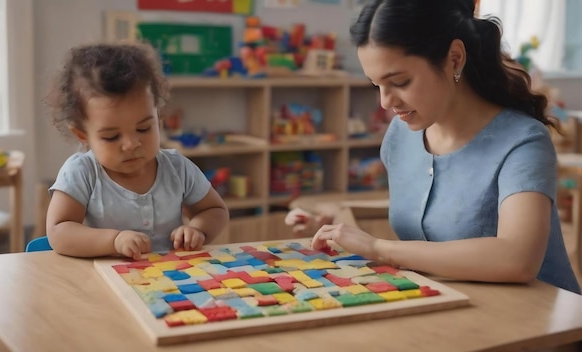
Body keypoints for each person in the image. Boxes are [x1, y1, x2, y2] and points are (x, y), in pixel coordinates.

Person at [286, 0, 581, 294]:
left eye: (399, 82)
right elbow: (441, 211)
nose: (385, 103)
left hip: (537, 325)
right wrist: (336, 222)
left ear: (454, 59)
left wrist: (378, 248)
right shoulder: (400, 135)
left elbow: (518, 259)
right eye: (376, 86)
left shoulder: (523, 141)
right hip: (453, 308)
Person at [45, 42, 229, 260]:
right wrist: (114, 241)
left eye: (143, 128)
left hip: (171, 280)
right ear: (83, 135)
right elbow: (59, 232)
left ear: (158, 118)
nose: (132, 144)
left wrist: (198, 229)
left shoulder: (177, 168)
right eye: (112, 136)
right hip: (104, 281)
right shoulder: (83, 172)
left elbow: (215, 210)